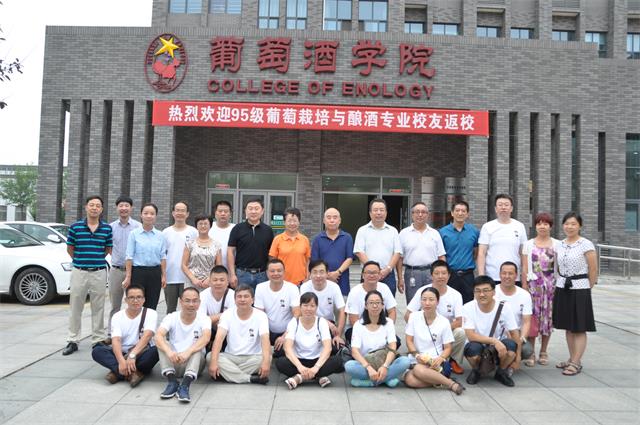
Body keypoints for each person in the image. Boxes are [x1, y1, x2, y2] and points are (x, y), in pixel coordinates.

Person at [62, 195, 113, 355]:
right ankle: (73, 340)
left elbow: (107, 249)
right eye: (92, 205)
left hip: (99, 272)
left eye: (98, 205)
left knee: (99, 307)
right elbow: (70, 248)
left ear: (101, 209)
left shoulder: (107, 229)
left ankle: (98, 340)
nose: (94, 208)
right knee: (75, 307)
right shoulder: (75, 227)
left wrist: (94, 259)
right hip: (79, 271)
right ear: (86, 207)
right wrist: (80, 260)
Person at [552, 212, 598, 376]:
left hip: (580, 289)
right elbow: (556, 268)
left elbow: (593, 269)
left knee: (579, 327)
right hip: (562, 287)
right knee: (568, 326)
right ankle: (572, 358)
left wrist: (587, 287)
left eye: (573, 224)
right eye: (567, 224)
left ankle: (576, 362)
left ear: (580, 226)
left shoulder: (586, 244)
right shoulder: (559, 244)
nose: (569, 227)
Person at [404, 260, 465, 375]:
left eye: (444, 273)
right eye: (437, 273)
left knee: (461, 332)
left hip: (446, 331)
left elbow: (459, 322)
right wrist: (418, 328)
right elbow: (408, 315)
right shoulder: (423, 291)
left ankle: (453, 360)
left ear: (449, 275)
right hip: (424, 329)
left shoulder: (456, 295)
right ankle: (419, 355)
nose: (440, 276)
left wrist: (440, 329)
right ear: (431, 275)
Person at [92, 285, 159, 387]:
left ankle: (117, 373)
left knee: (157, 350)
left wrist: (132, 355)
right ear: (126, 300)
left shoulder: (151, 313)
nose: (135, 300)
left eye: (139, 297)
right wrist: (121, 361)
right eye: (131, 297)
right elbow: (116, 340)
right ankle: (133, 373)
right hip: (122, 352)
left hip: (140, 352)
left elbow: (147, 336)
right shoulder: (117, 316)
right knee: (97, 351)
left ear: (144, 299)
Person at [276, 292, 344, 389]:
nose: (308, 309)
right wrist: (300, 367)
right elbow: (287, 348)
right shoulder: (294, 322)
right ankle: (318, 376)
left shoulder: (321, 322)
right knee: (280, 363)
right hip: (298, 360)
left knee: (337, 361)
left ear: (316, 307)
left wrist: (316, 367)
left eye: (312, 306)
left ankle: (299, 377)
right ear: (300, 307)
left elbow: (327, 348)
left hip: (317, 360)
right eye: (305, 305)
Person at [404, 287, 465, 395]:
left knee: (417, 370)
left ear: (437, 301)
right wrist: (417, 355)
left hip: (436, 362)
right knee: (409, 380)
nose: (427, 303)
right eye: (424, 299)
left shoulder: (444, 322)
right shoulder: (413, 317)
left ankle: (451, 384)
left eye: (431, 299)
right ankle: (441, 381)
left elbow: (448, 347)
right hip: (417, 359)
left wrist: (440, 358)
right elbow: (409, 340)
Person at [155, 288, 211, 403]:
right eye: (187, 300)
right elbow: (158, 335)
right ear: (180, 302)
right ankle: (172, 382)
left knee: (197, 347)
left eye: (195, 301)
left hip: (194, 364)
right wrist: (170, 352)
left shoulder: (204, 318)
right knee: (162, 342)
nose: (191, 304)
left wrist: (188, 352)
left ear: (199, 302)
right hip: (174, 360)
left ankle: (185, 385)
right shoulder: (172, 317)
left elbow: (206, 337)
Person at [462, 275, 520, 387]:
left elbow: (514, 332)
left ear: (493, 292)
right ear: (473, 292)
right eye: (478, 291)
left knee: (511, 347)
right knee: (472, 350)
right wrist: (494, 341)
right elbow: (470, 335)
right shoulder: (467, 307)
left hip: (498, 347)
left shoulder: (504, 307)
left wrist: (518, 358)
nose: (482, 294)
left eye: (486, 290)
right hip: (478, 343)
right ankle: (476, 371)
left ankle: (501, 372)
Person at [208, 284, 272, 385]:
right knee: (210, 357)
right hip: (231, 356)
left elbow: (265, 339)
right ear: (235, 300)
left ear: (253, 300)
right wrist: (213, 363)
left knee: (267, 358)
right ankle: (249, 378)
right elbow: (218, 339)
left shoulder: (261, 316)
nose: (242, 299)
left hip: (253, 357)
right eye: (239, 296)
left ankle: (229, 374)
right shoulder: (227, 314)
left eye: (246, 296)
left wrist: (266, 363)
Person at [344, 290, 410, 387]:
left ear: (383, 305)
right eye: (371, 303)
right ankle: (386, 379)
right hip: (365, 364)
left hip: (384, 361)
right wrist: (369, 368)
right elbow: (355, 351)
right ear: (366, 306)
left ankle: (370, 382)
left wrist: (385, 366)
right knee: (349, 366)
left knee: (405, 361)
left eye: (378, 303)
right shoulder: (358, 324)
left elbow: (392, 347)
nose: (375, 306)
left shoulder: (388, 322)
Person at [522, 212, 560, 367]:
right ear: (535, 226)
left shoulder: (557, 244)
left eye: (546, 223)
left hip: (551, 288)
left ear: (550, 226)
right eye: (539, 223)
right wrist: (524, 287)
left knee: (547, 320)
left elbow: (560, 267)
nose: (542, 226)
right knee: (532, 319)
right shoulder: (528, 244)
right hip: (533, 288)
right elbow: (524, 268)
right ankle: (531, 352)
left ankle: (544, 351)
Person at [398, 201, 446, 303]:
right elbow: (399, 258)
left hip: (431, 273)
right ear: (412, 214)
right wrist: (400, 278)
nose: (420, 215)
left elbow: (441, 256)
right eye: (417, 212)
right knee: (413, 303)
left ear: (428, 215)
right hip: (411, 273)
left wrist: (442, 275)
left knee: (432, 302)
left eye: (423, 212)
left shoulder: (435, 233)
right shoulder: (403, 233)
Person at [107, 195, 141, 339]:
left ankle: (133, 333)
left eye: (126, 205)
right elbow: (108, 247)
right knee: (115, 305)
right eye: (121, 206)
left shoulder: (138, 226)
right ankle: (112, 333)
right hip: (116, 270)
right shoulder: (110, 227)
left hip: (133, 271)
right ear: (117, 208)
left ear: (131, 208)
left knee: (134, 303)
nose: (124, 208)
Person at [122, 203, 167, 310]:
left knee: (152, 303)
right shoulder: (134, 234)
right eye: (146, 213)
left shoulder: (160, 235)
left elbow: (163, 257)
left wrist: (164, 276)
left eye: (152, 213)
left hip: (155, 273)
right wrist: (128, 276)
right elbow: (129, 257)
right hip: (138, 272)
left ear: (156, 216)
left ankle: (149, 321)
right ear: (141, 215)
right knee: (136, 303)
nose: (149, 216)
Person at [353, 198, 402, 296]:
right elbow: (359, 252)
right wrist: (373, 270)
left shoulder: (393, 231)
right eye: (375, 210)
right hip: (368, 274)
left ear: (386, 213)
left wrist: (387, 269)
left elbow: (397, 253)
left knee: (388, 302)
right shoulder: (362, 230)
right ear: (370, 213)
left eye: (381, 210)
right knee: (367, 301)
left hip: (388, 274)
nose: (379, 213)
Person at [477, 194, 528, 286]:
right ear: (495, 209)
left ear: (511, 208)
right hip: (492, 276)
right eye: (500, 205)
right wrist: (481, 276)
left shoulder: (519, 226)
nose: (503, 207)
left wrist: (524, 278)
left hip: (514, 277)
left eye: (506, 205)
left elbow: (523, 254)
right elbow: (481, 253)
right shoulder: (487, 227)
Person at [254, 259, 301, 357]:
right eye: (272, 271)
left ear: (284, 272)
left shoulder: (292, 288)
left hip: (287, 331)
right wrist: (265, 338)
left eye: (279, 271)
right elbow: (259, 315)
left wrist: (285, 336)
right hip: (268, 331)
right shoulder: (260, 287)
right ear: (267, 273)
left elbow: (297, 315)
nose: (276, 273)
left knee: (282, 352)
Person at [495, 261, 533, 374]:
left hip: (515, 334)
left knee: (527, 349)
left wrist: (521, 339)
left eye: (510, 273)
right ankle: (498, 362)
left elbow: (526, 322)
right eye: (504, 273)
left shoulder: (525, 295)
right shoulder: (492, 292)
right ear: (499, 274)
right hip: (495, 334)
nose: (507, 276)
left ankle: (509, 364)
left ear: (516, 275)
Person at [227, 198, 274, 289]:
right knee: (242, 297)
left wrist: (270, 272)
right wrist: (232, 274)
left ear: (262, 211)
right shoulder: (237, 229)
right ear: (245, 211)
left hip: (262, 275)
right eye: (250, 208)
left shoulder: (268, 230)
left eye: (256, 208)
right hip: (242, 274)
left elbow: (271, 254)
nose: (253, 211)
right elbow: (230, 251)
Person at [299, 260, 347, 348]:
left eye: (321, 272)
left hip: (329, 324)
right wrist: (325, 322)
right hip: (310, 322)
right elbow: (304, 311)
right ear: (310, 274)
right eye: (315, 272)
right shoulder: (305, 287)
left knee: (337, 346)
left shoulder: (334, 287)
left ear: (327, 273)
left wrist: (338, 335)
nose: (318, 275)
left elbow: (342, 310)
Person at [439, 200, 479, 304]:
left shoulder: (474, 231)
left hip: (468, 275)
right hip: (450, 275)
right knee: (449, 303)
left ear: (467, 214)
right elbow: (441, 254)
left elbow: (476, 252)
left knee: (468, 304)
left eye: (463, 211)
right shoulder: (443, 232)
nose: (460, 213)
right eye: (457, 210)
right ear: (452, 213)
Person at [162, 201, 198, 313]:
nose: (180, 213)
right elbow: (162, 255)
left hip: (188, 278)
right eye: (177, 210)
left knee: (189, 309)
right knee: (170, 310)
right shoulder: (166, 232)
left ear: (187, 214)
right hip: (170, 277)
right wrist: (163, 275)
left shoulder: (193, 232)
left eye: (183, 211)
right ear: (173, 213)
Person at [345, 261, 397, 334]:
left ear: (379, 275)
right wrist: (369, 334)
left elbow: (392, 312)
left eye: (375, 273)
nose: (372, 275)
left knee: (396, 340)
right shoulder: (354, 292)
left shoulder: (385, 288)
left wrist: (388, 328)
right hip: (360, 329)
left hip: (381, 328)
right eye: (369, 272)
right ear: (363, 275)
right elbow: (353, 319)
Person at [311, 207, 354, 296]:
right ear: (324, 220)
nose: (332, 220)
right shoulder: (317, 239)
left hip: (342, 281)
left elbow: (349, 258)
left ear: (339, 220)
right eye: (329, 217)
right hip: (322, 280)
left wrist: (337, 272)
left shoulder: (347, 237)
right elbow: (315, 262)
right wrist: (326, 275)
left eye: (335, 217)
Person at [269, 207, 311, 285]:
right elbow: (272, 261)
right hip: (282, 283)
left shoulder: (305, 240)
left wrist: (307, 277)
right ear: (284, 222)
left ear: (299, 222)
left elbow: (307, 261)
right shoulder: (277, 239)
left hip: (301, 283)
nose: (292, 224)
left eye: (295, 221)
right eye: (289, 221)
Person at [198, 265, 235, 352]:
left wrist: (212, 319)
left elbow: (233, 320)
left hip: (227, 331)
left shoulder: (233, 295)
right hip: (208, 330)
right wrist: (223, 315)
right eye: (215, 280)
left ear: (227, 282)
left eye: (222, 280)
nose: (218, 283)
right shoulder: (202, 295)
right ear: (209, 282)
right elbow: (200, 321)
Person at [182, 214, 222, 291]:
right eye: (200, 224)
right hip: (192, 282)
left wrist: (209, 279)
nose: (203, 226)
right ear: (196, 226)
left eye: (205, 224)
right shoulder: (189, 244)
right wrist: (193, 279)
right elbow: (183, 265)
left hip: (210, 283)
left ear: (210, 226)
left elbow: (218, 265)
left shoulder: (217, 245)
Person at [208, 200, 235, 270]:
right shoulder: (208, 227)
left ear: (230, 214)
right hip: (210, 271)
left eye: (226, 211)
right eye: (220, 211)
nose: (223, 214)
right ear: (215, 213)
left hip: (232, 271)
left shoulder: (236, 228)